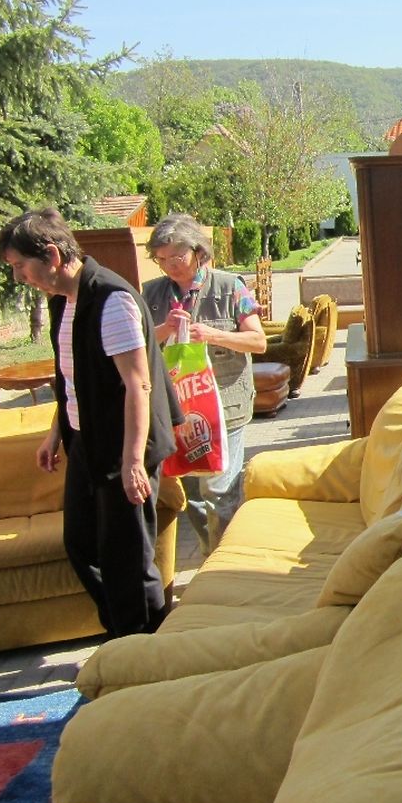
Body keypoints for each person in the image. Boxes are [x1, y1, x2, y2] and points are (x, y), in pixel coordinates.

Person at [0, 208, 181, 638]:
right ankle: (126, 634)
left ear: (51, 255)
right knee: (81, 545)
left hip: (123, 447)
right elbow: (72, 378)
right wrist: (55, 433)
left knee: (127, 559)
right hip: (86, 441)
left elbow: (138, 385)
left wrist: (132, 463)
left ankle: (146, 648)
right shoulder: (64, 301)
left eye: (20, 265)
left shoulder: (110, 300)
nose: (19, 277)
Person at [142, 214, 266, 554]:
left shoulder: (230, 287)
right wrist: (164, 330)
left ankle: (224, 562)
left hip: (225, 408)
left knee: (219, 490)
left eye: (177, 257)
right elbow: (138, 347)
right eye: (161, 259)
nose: (170, 266)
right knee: (193, 494)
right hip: (177, 411)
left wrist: (213, 334)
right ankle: (212, 552)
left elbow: (258, 342)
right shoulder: (151, 294)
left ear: (198, 252)